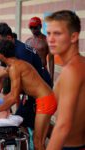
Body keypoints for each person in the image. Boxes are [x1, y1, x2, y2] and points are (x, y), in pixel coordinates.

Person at [0, 39, 57, 150]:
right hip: (45, 99)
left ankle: (68, 141)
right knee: (39, 137)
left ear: (2, 55)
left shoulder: (15, 68)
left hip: (45, 101)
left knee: (38, 142)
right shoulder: (16, 64)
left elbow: (13, 97)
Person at [45, 10, 85, 150]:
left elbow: (63, 126)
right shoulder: (80, 64)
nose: (50, 39)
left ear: (73, 36)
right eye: (48, 33)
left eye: (57, 33)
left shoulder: (71, 71)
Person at [26, 16, 54, 86]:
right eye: (31, 27)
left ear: (40, 26)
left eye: (35, 27)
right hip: (30, 72)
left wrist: (51, 77)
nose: (33, 30)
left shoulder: (47, 40)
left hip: (42, 72)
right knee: (31, 96)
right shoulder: (28, 41)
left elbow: (51, 60)